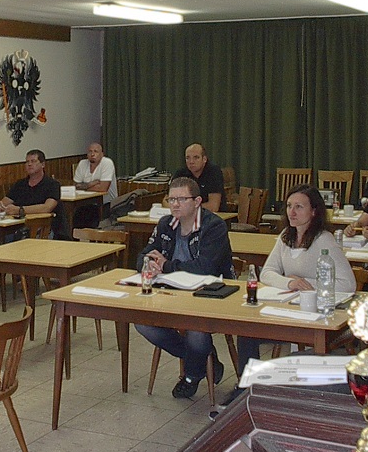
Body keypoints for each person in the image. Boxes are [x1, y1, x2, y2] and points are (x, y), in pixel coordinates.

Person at [234, 185, 356, 385]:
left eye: (299, 206)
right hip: (290, 311)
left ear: (314, 211)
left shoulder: (324, 240)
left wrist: (307, 284)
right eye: (289, 205)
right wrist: (290, 282)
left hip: (317, 316)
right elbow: (267, 273)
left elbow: (348, 284)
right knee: (247, 332)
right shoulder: (285, 237)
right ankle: (246, 388)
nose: (292, 211)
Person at [134, 177, 234, 399]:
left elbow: (205, 268)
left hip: (210, 293)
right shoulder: (165, 224)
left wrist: (166, 265)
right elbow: (145, 253)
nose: (175, 204)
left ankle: (191, 376)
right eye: (171, 199)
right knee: (142, 323)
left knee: (196, 330)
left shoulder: (214, 226)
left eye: (181, 199)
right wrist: (149, 263)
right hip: (172, 292)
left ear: (197, 201)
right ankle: (206, 358)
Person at [0, 149, 65, 237]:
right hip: (17, 227)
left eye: (33, 161)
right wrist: (0, 207)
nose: (29, 164)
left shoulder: (52, 184)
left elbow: (47, 207)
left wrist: (19, 210)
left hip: (44, 228)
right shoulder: (20, 184)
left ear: (43, 164)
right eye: (27, 162)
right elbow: (3, 203)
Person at [172, 143, 228, 213]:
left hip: (212, 218)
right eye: (188, 158)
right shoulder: (180, 173)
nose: (191, 162)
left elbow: (213, 207)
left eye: (196, 157)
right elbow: (166, 201)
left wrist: (186, 208)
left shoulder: (213, 172)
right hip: (186, 217)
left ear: (204, 159)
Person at [73, 142, 117, 228]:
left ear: (102, 154)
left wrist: (83, 186)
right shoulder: (82, 163)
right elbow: (75, 186)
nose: (92, 154)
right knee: (74, 219)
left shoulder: (107, 163)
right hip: (85, 202)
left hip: (106, 203)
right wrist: (91, 184)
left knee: (93, 220)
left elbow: (103, 188)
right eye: (90, 151)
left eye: (96, 151)